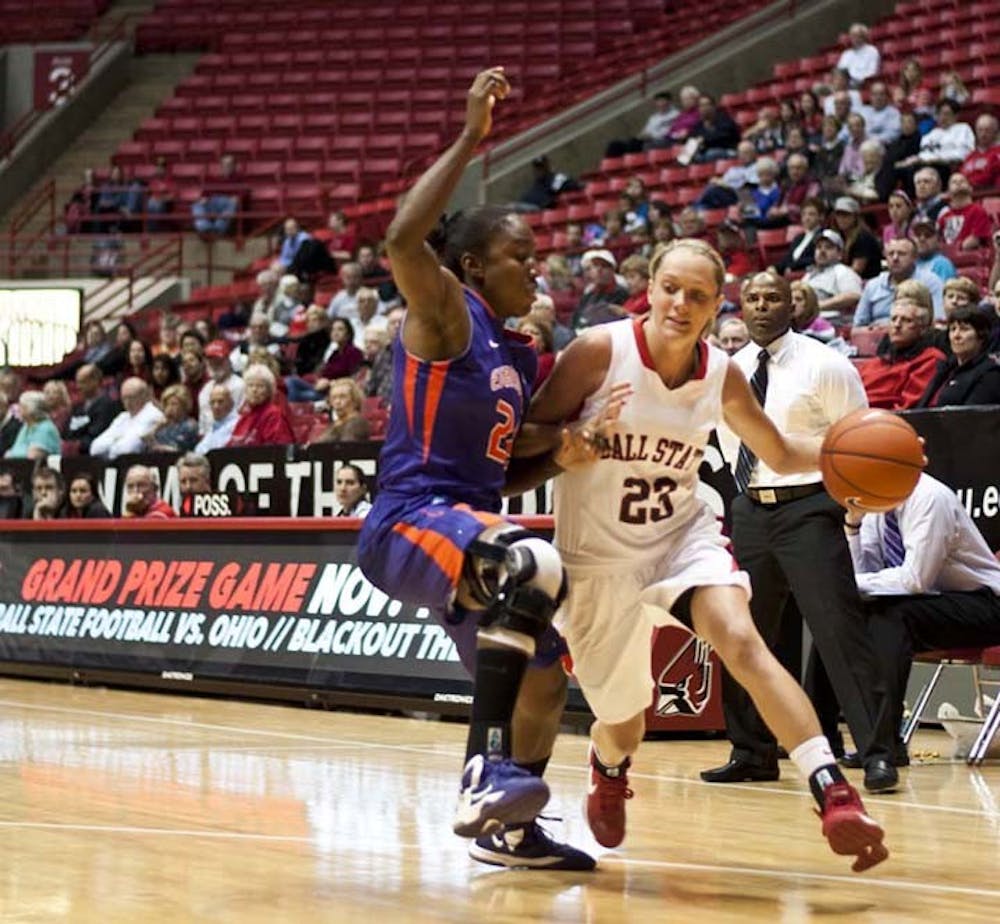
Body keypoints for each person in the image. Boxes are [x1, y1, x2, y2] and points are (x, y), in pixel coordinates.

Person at [523, 244, 889, 872]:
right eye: (670, 288)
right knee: (624, 719)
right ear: (650, 288)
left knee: (742, 641)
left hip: (679, 540)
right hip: (598, 560)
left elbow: (775, 451)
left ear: (718, 304)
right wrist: (570, 442)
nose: (680, 304)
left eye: (697, 295)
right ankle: (609, 767)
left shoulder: (721, 372)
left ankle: (833, 791)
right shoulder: (597, 352)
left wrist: (856, 454)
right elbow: (525, 436)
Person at [356, 68, 616, 872]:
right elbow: (402, 240)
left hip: (464, 523)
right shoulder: (443, 312)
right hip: (407, 522)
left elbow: (494, 482)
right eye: (518, 257)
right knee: (532, 561)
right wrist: (471, 135)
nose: (535, 271)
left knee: (545, 681)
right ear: (471, 266)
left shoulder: (511, 352)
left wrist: (557, 454)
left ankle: (509, 827)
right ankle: (480, 776)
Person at [693, 268, 897, 799]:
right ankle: (751, 751)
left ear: (793, 304)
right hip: (750, 509)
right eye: (752, 298)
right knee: (745, 633)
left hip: (808, 507)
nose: (761, 306)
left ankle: (877, 754)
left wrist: (846, 508)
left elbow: (859, 439)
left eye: (773, 298)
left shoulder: (826, 364)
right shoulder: (730, 370)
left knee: (838, 631)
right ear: (740, 306)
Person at [844, 473, 1000, 764]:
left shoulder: (929, 497)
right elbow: (866, 572)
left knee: (891, 615)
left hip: (987, 604)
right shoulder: (878, 504)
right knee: (844, 615)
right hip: (936, 601)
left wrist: (847, 585)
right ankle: (831, 734)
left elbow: (915, 580)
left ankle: (885, 744)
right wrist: (853, 525)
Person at [857, 281, 946, 410]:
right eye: (893, 319)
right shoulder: (873, 364)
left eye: (906, 320)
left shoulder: (930, 360)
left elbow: (907, 410)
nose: (897, 325)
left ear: (923, 327)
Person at [916, 307, 1000, 407]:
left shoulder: (990, 373)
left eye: (964, 329)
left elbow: (972, 417)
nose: (956, 335)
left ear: (981, 335)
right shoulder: (945, 369)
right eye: (953, 329)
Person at [90, 378, 165, 459]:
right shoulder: (123, 417)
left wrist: (115, 440)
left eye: (131, 397)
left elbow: (128, 449)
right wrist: (117, 442)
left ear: (143, 396)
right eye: (124, 398)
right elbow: (94, 449)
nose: (127, 402)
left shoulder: (152, 414)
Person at [226, 365, 294, 448]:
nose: (254, 390)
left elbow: (279, 449)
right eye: (250, 385)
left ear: (269, 391)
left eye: (260, 386)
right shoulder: (244, 418)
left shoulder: (274, 415)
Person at [3, 391, 61, 460]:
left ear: (31, 410)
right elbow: (13, 451)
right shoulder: (26, 426)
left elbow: (32, 459)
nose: (18, 409)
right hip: (17, 466)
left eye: (22, 406)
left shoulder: (45, 429)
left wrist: (11, 455)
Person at [311, 378, 371, 443]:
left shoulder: (357, 424)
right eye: (334, 398)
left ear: (355, 401)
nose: (337, 402)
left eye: (343, 397)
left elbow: (345, 449)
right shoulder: (337, 423)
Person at [194, 385, 239, 453]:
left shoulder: (237, 424)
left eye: (220, 402)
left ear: (231, 403)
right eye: (212, 402)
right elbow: (198, 450)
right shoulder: (213, 428)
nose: (216, 406)